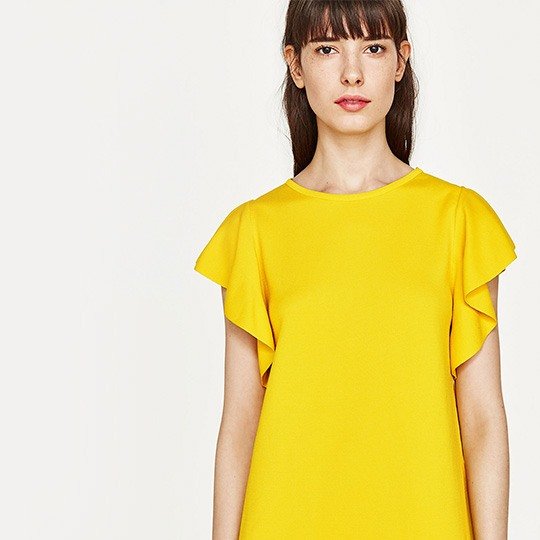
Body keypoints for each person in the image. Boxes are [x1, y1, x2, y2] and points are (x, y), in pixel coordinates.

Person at [194, 1, 518, 537]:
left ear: (401, 61)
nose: (352, 73)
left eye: (373, 48)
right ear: (295, 65)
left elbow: (483, 421)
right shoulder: (254, 230)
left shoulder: (460, 220)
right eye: (327, 49)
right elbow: (239, 428)